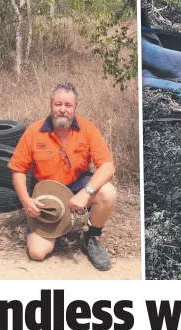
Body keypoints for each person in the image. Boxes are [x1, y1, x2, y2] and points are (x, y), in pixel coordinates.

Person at [8, 82, 117, 271]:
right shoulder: (34, 132)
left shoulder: (88, 129)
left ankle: (91, 238)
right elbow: (17, 170)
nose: (63, 110)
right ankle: (59, 227)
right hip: (47, 193)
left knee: (108, 192)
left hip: (78, 185)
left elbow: (107, 166)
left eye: (68, 105)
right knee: (37, 253)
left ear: (75, 108)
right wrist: (26, 201)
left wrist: (86, 192)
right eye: (58, 104)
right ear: (51, 104)